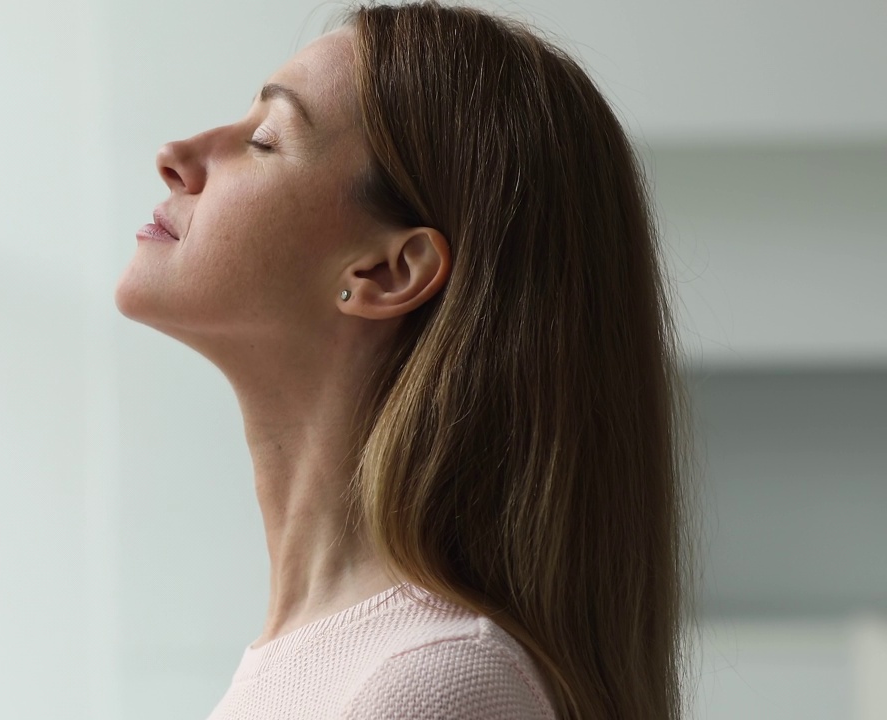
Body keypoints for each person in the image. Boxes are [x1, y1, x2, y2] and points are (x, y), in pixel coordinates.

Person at [115, 1, 690, 718]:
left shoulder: (431, 688)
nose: (177, 155)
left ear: (389, 272)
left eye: (264, 139)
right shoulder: (325, 666)